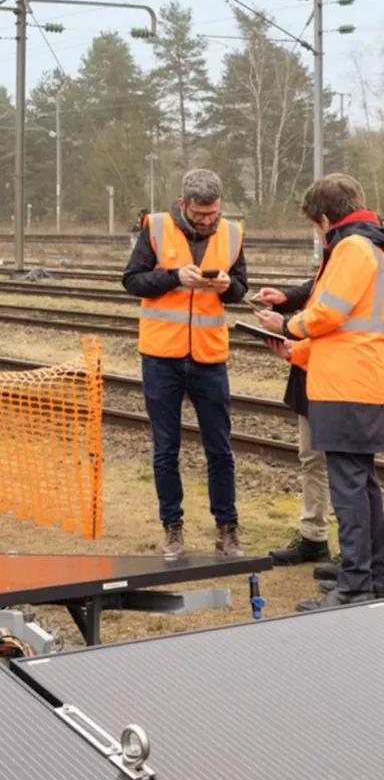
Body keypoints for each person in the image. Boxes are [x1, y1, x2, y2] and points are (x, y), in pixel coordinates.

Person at [257, 173, 384, 609]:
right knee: (363, 483)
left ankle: (354, 586)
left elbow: (330, 312)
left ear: (327, 219)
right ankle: (372, 572)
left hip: (346, 384)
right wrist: (298, 352)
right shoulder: (375, 243)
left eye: (316, 227)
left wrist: (287, 325)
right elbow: (355, 326)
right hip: (361, 375)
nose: (319, 234)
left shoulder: (352, 246)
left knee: (348, 486)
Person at [122, 169, 248, 557]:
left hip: (210, 357)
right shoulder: (156, 228)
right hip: (162, 357)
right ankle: (172, 529)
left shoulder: (232, 234)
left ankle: (227, 530)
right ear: (183, 205)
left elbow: (241, 288)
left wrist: (229, 288)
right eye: (200, 215)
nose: (208, 222)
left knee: (220, 450)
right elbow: (132, 281)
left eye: (213, 214)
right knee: (166, 448)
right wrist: (175, 277)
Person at [253, 279, 333, 567]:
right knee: (313, 460)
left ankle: (359, 553)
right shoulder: (339, 248)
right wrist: (285, 297)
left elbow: (332, 315)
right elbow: (317, 287)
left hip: (343, 378)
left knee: (350, 468)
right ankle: (314, 538)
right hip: (312, 374)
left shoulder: (360, 246)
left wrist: (287, 325)